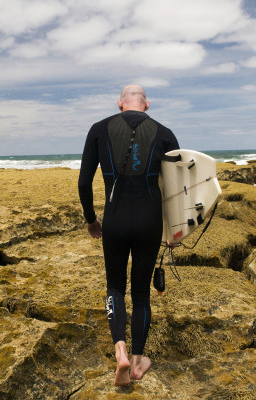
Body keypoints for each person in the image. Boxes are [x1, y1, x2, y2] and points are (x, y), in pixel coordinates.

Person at [78, 84, 179, 386]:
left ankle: (119, 350)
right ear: (147, 105)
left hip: (115, 221)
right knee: (141, 293)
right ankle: (137, 361)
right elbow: (177, 187)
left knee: (115, 286)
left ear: (120, 104)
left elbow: (84, 182)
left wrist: (91, 219)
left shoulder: (98, 129)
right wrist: (174, 229)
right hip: (149, 222)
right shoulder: (164, 133)